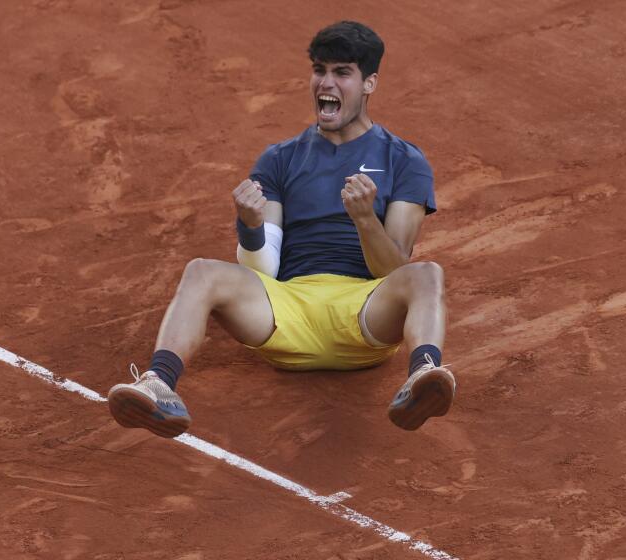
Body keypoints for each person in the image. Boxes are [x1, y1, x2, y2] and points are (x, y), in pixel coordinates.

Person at [107, 20, 455, 437]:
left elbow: (392, 268)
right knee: (201, 270)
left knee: (425, 275)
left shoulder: (404, 160)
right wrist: (250, 226)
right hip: (286, 311)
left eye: (342, 72)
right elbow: (264, 267)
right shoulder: (279, 159)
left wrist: (364, 220)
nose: (326, 82)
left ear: (369, 84)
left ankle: (422, 376)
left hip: (364, 315)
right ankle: (159, 384)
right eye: (320, 70)